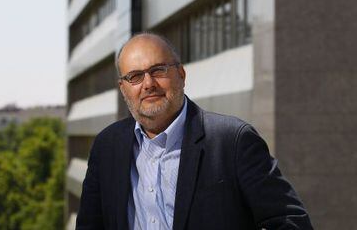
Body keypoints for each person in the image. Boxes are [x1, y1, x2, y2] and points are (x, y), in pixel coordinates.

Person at [76, 33, 313, 230]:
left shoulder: (232, 141)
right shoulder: (107, 146)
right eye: (135, 77)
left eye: (158, 70)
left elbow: (291, 223)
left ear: (181, 74)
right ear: (123, 88)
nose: (148, 84)